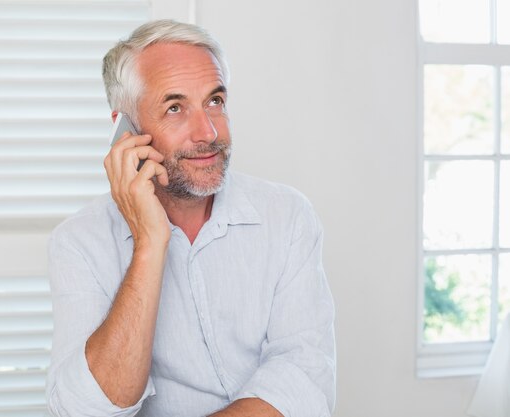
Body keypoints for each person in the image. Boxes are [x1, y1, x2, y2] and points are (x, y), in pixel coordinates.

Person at [46, 19, 336, 417]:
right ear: (126, 131)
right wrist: (149, 243)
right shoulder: (78, 242)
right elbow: (87, 410)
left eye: (215, 101)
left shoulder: (287, 217)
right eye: (175, 107)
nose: (208, 133)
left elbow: (305, 376)